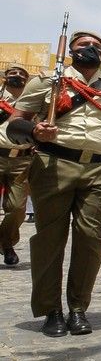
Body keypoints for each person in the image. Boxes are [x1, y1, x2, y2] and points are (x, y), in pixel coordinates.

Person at [8, 31, 101, 337]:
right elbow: (16, 121)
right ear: (71, 50)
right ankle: (51, 310)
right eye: (84, 44)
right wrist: (35, 130)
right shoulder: (47, 83)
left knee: (90, 238)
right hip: (55, 165)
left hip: (99, 169)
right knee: (50, 239)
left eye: (97, 46)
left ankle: (78, 308)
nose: (91, 48)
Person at [1, 65, 33, 266]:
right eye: (13, 73)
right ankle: (7, 246)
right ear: (5, 77)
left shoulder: (33, 102)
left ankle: (5, 241)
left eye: (22, 74)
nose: (17, 76)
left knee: (17, 208)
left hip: (22, 160)